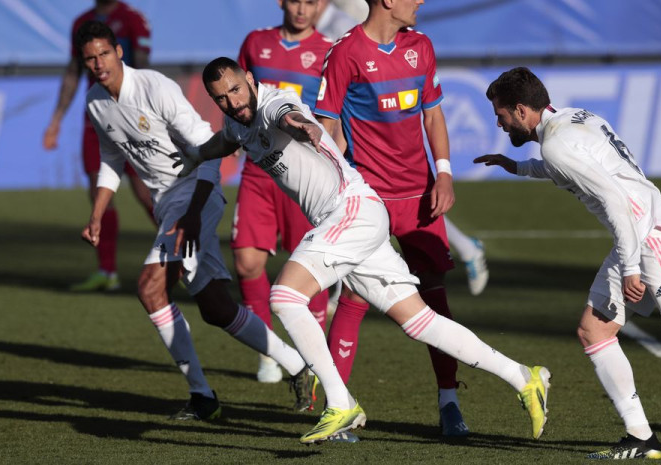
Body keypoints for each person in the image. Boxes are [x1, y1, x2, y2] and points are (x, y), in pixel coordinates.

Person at [172, 57, 551, 445]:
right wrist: (197, 154)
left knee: (285, 297)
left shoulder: (273, 104)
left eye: (236, 89)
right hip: (351, 223)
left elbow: (287, 116)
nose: (233, 102)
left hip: (349, 210)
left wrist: (302, 126)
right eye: (221, 98)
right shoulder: (237, 121)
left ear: (250, 79)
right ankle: (523, 376)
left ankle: (339, 402)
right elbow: (227, 139)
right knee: (419, 322)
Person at [476, 66, 661, 460]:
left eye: (500, 116)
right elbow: (575, 170)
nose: (499, 125)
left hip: (649, 236)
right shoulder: (573, 119)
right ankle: (640, 438)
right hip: (637, 236)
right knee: (594, 332)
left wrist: (632, 266)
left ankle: (641, 437)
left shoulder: (556, 145)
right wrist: (515, 166)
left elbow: (617, 202)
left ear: (520, 110)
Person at [75, 20, 314, 420]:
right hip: (169, 206)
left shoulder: (155, 88)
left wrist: (190, 214)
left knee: (151, 289)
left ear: (119, 51)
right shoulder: (96, 103)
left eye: (104, 53)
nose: (99, 63)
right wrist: (97, 213)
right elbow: (113, 159)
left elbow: (208, 152)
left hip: (194, 195)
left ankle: (203, 396)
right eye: (89, 58)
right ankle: (297, 366)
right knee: (216, 308)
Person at [313, 0, 481, 437]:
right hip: (369, 198)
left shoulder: (420, 46)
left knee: (436, 297)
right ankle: (339, 408)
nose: (421, 1)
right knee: (354, 297)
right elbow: (326, 125)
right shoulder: (345, 52)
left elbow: (433, 114)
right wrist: (336, 187)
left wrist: (442, 175)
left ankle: (449, 403)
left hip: (421, 196)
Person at [234, 0, 334, 385]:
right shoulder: (256, 43)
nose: (302, 8)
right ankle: (270, 352)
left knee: (311, 267)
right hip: (259, 170)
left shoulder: (329, 50)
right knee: (246, 264)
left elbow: (332, 111)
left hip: (302, 172)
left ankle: (314, 353)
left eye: (312, 1)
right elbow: (235, 100)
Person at [44, 0, 155, 292]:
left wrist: (145, 113)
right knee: (98, 193)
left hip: (131, 117)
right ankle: (107, 272)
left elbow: (142, 66)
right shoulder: (82, 21)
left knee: (146, 193)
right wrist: (56, 120)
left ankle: (184, 260)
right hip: (94, 119)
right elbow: (73, 72)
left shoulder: (132, 19)